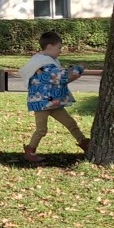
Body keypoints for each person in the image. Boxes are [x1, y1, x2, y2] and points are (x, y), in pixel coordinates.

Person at [23, 31, 91, 163]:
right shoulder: (43, 64)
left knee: (70, 123)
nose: (60, 51)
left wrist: (72, 73)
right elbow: (60, 76)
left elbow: (59, 77)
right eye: (59, 48)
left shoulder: (48, 62)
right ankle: (30, 151)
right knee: (41, 130)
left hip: (54, 103)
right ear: (49, 46)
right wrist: (79, 68)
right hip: (42, 103)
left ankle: (84, 143)